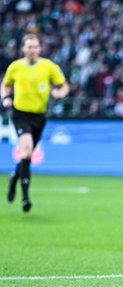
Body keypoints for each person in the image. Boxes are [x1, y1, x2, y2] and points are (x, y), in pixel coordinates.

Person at [1, 33, 70, 212]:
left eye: (35, 47)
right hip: (20, 114)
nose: (32, 50)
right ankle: (25, 198)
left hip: (39, 116)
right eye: (29, 47)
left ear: (39, 49)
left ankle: (14, 177)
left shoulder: (48, 66)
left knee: (28, 154)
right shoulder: (15, 67)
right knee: (26, 149)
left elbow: (64, 86)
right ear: (23, 49)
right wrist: (6, 97)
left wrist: (59, 94)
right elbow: (5, 84)